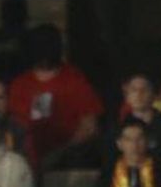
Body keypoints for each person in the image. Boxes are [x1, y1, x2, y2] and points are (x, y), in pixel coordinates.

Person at [8, 25, 103, 169]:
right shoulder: (19, 84)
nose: (45, 57)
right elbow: (10, 124)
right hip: (25, 160)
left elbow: (90, 126)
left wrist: (61, 152)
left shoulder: (74, 79)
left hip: (69, 160)